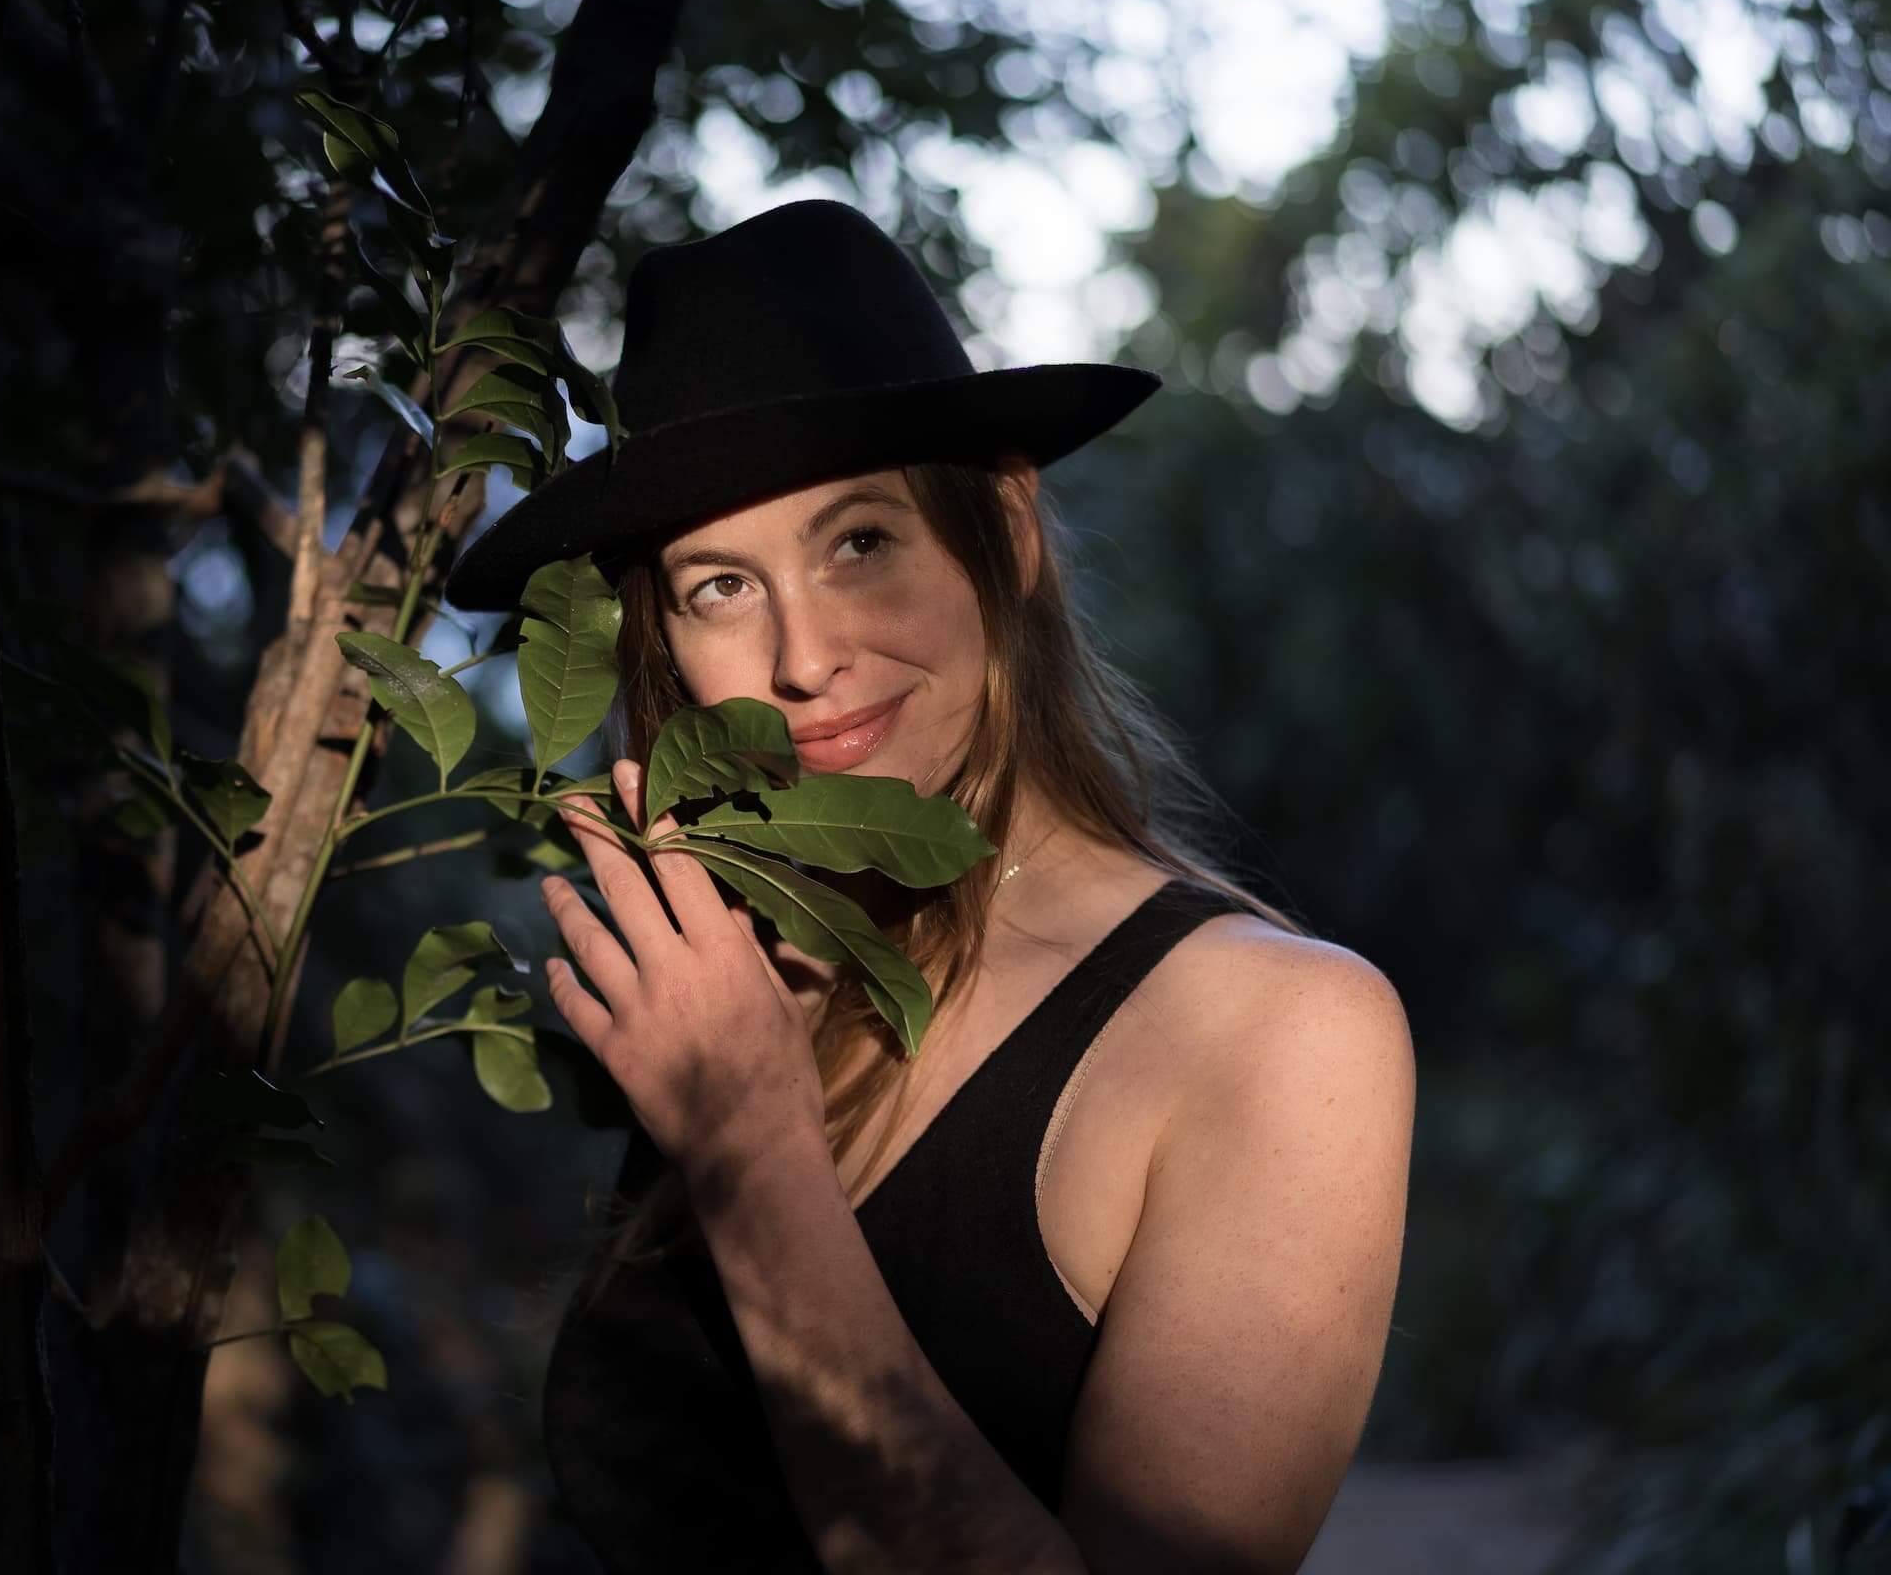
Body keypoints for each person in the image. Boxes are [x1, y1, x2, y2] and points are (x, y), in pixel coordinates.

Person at [442, 200, 1414, 1574]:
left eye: (858, 543)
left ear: (1004, 532)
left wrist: (758, 1161)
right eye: (719, 584)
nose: (801, 659)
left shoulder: (1281, 1039)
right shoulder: (742, 970)